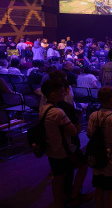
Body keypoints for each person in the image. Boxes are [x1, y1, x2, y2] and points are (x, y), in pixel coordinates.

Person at [40, 79, 92, 208]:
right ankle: (75, 195)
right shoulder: (58, 112)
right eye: (61, 91)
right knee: (83, 165)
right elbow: (73, 131)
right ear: (53, 93)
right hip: (65, 150)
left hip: (51, 148)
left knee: (58, 179)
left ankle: (59, 203)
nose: (64, 94)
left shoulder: (43, 109)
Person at [87, 87, 112, 208]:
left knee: (99, 187)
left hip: (97, 156)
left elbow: (89, 134)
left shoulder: (93, 115)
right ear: (111, 99)